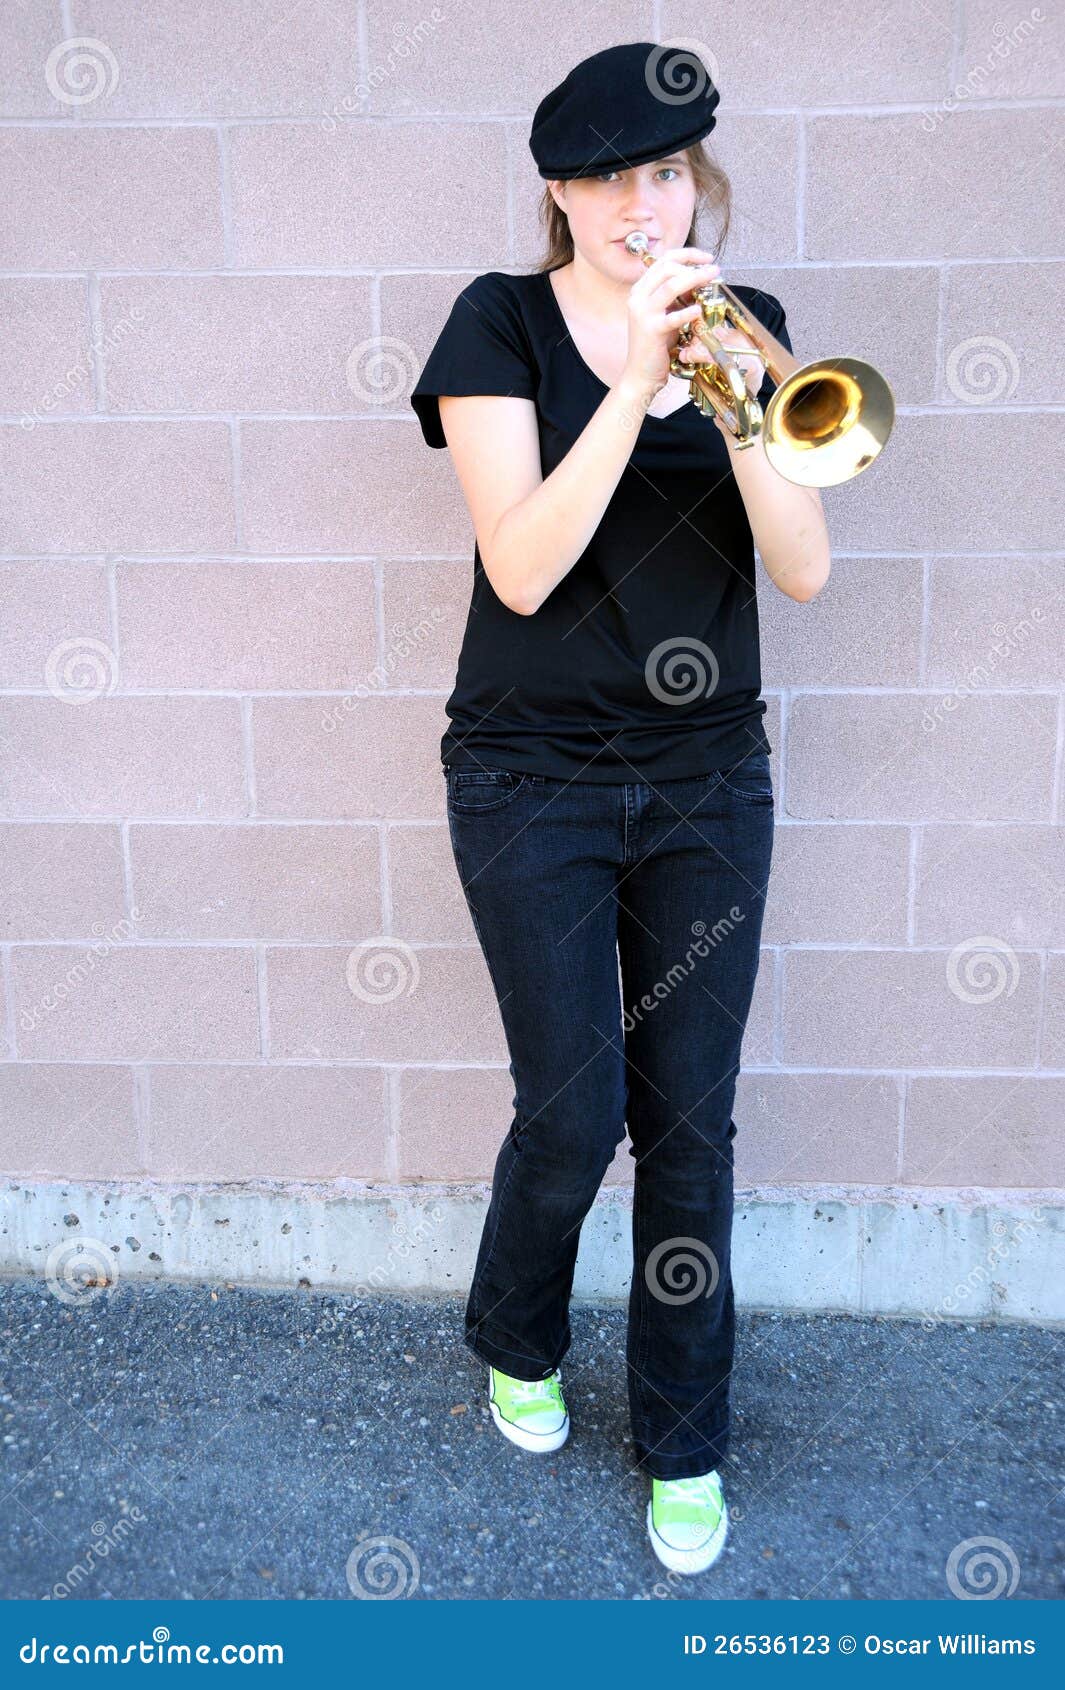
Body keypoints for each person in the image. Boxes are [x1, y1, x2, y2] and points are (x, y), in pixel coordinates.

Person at [410, 40, 831, 1577]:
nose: (643, 205)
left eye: (667, 173)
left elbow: (802, 567)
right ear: (560, 194)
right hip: (530, 778)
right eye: (610, 179)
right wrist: (635, 384)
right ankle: (518, 1333)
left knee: (692, 1129)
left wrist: (729, 398)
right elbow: (520, 562)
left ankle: (684, 1443)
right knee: (574, 1112)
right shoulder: (496, 322)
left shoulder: (753, 331)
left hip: (712, 776)